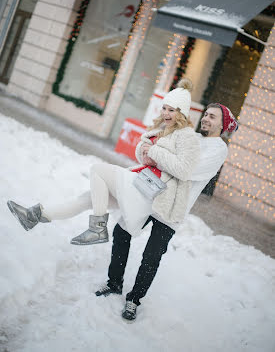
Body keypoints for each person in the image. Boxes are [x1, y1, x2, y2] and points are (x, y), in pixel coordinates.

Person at [7, 78, 205, 321]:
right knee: (88, 197)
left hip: (148, 193)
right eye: (164, 107)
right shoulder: (161, 129)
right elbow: (145, 156)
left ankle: (98, 228)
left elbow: (184, 170)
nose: (165, 113)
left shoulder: (187, 137)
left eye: (171, 110)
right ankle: (34, 216)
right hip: (139, 182)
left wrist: (153, 152)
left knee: (99, 170)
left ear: (182, 113)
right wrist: (145, 151)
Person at [92, 102, 238, 320]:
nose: (206, 119)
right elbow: (154, 153)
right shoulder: (191, 137)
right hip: (151, 194)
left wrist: (158, 156)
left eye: (213, 117)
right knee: (122, 232)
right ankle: (114, 283)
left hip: (173, 208)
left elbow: (188, 170)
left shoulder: (219, 149)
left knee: (152, 255)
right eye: (206, 114)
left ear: (223, 123)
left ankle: (133, 300)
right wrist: (151, 154)